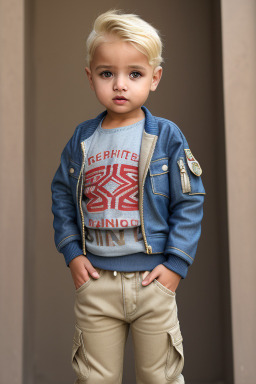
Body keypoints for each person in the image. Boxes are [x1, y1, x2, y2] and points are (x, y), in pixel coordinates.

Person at [51, 9, 205, 384]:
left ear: (155, 78)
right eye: (108, 74)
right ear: (91, 78)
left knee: (161, 377)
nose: (120, 84)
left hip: (153, 282)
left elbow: (190, 201)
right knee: (95, 377)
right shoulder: (82, 139)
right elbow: (61, 193)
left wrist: (176, 266)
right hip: (97, 282)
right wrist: (72, 252)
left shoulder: (166, 137)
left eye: (134, 74)